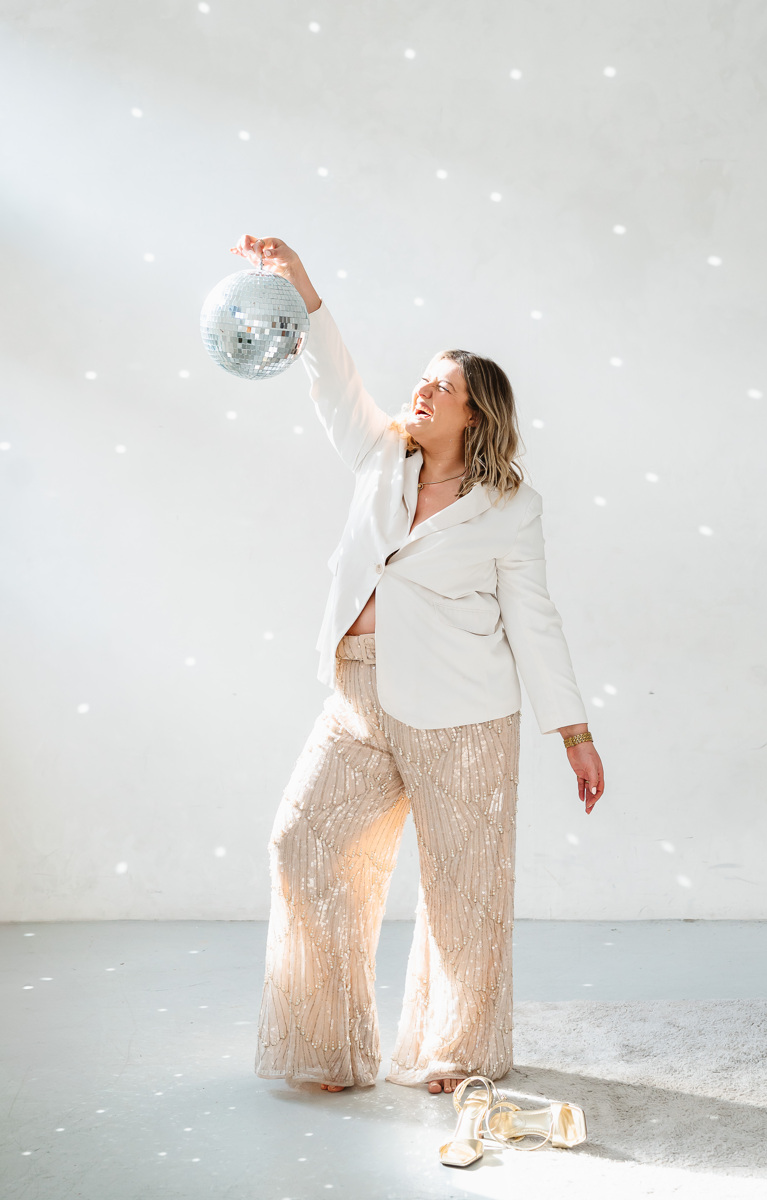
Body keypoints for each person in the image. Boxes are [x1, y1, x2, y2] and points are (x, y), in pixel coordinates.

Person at [230, 234, 605, 1097]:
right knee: (303, 844)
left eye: (444, 387)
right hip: (358, 694)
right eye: (424, 379)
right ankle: (330, 1047)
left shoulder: (512, 508)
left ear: (476, 415)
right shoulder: (380, 455)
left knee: (462, 888)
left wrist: (575, 734)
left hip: (466, 713)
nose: (423, 391)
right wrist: (301, 287)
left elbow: (535, 622)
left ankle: (458, 1054)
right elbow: (333, 382)